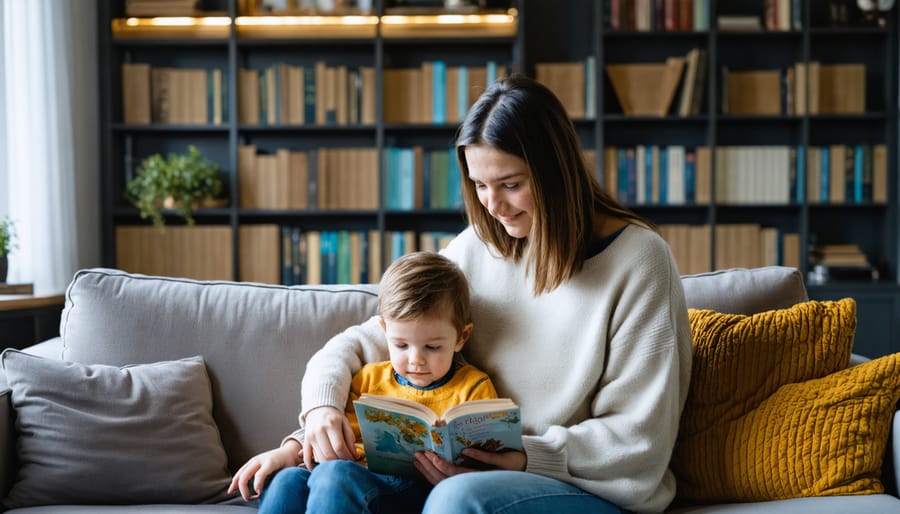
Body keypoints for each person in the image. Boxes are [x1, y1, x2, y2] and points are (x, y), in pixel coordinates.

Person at [230, 74, 692, 514]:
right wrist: (317, 413)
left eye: (511, 185)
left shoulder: (639, 261)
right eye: (480, 186)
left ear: (557, 173)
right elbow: (374, 340)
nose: (492, 205)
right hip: (470, 471)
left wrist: (527, 456)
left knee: (458, 499)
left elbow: (639, 439)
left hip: (583, 487)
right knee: (291, 482)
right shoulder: (479, 246)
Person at [229, 251, 499, 513]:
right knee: (287, 480)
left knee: (336, 474)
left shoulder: (473, 386)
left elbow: (490, 453)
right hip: (353, 474)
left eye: (432, 347)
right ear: (384, 331)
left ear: (461, 338)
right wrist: (290, 451)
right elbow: (336, 434)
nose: (416, 360)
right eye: (401, 345)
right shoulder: (369, 378)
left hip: (417, 487)